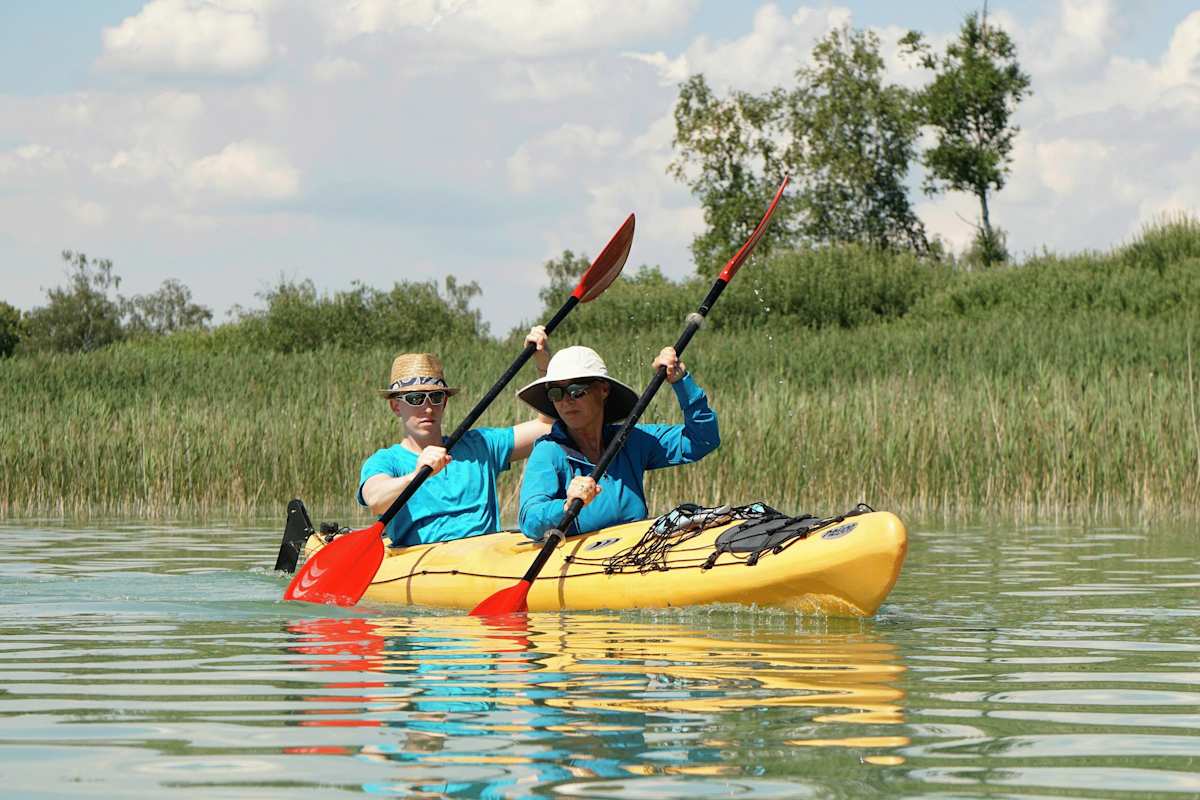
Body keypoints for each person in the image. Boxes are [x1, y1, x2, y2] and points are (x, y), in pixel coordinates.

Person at [358, 327, 554, 547]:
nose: (428, 408)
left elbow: (546, 426)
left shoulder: (482, 444)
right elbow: (375, 500)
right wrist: (417, 474)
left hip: (486, 561)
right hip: (424, 566)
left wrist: (544, 365)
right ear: (396, 406)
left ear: (445, 402)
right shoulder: (385, 461)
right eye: (415, 399)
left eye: (435, 397)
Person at [516, 345, 719, 541]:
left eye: (576, 390)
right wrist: (566, 506)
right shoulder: (548, 452)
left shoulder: (630, 440)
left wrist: (681, 381)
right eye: (556, 393)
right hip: (580, 567)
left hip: (631, 558)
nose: (566, 401)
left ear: (603, 389)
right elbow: (529, 520)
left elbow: (702, 440)